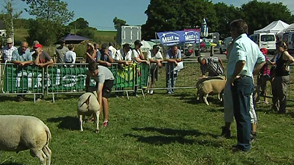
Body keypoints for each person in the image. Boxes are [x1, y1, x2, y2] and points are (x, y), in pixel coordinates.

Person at [227, 19, 265, 152]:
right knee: (246, 111)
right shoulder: (252, 43)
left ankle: (243, 145)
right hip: (248, 79)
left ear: (236, 30)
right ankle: (246, 139)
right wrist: (252, 72)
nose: (231, 33)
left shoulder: (239, 43)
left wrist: (234, 76)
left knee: (241, 113)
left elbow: (241, 61)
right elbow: (262, 60)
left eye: (232, 30)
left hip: (240, 80)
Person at [86, 61, 114, 127]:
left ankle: (105, 120)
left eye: (94, 72)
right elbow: (87, 78)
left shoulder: (100, 74)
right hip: (99, 81)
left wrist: (99, 108)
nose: (93, 74)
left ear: (97, 70)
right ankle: (94, 117)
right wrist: (87, 87)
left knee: (104, 98)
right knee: (94, 97)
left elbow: (99, 91)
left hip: (108, 80)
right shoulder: (87, 71)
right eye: (91, 73)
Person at [271, 41, 294, 114]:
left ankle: (282, 109)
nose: (277, 48)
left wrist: (286, 65)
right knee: (276, 92)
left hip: (283, 76)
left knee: (282, 93)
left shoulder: (285, 53)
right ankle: (277, 107)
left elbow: (291, 59)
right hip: (278, 75)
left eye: (278, 47)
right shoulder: (279, 54)